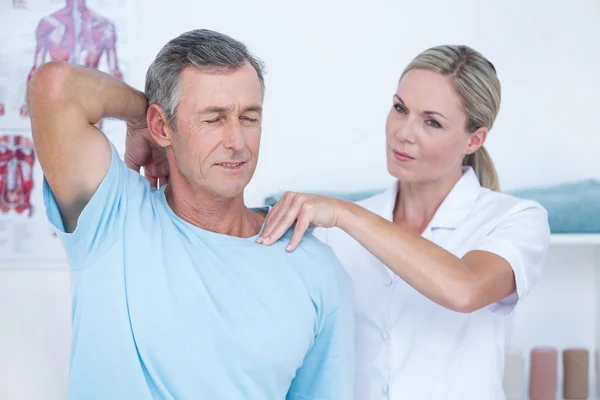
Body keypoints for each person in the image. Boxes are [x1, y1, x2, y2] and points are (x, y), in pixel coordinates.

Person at [26, 29, 354, 400]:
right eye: (213, 119)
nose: (237, 142)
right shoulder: (112, 219)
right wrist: (138, 119)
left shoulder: (315, 268)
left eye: (249, 117)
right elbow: (57, 86)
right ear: (162, 126)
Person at [258, 45, 551, 399]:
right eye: (400, 109)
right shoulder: (338, 235)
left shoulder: (515, 220)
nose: (404, 132)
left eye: (431, 122)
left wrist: (345, 213)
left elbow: (466, 288)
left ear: (474, 139)